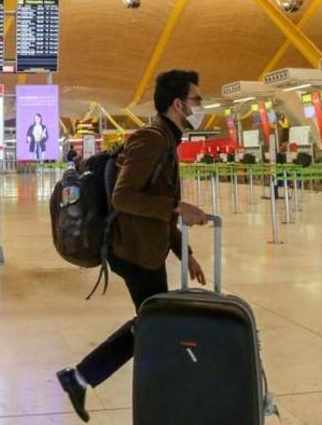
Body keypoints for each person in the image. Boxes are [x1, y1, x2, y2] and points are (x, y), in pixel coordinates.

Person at [56, 69, 209, 422]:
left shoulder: (166, 140)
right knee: (157, 322)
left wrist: (185, 254)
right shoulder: (151, 139)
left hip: (145, 247)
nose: (201, 105)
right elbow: (124, 196)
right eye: (197, 99)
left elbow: (159, 203)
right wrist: (177, 208)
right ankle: (89, 378)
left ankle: (81, 377)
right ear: (178, 104)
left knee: (154, 321)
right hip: (135, 250)